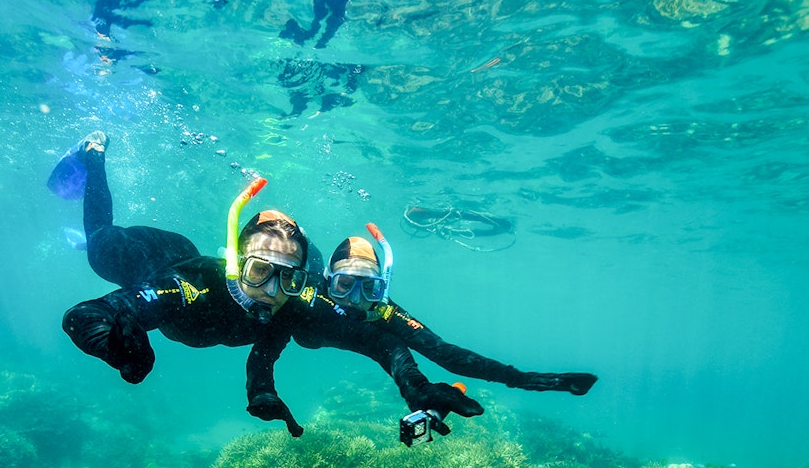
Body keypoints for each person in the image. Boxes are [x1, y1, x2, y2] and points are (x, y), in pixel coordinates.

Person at [56, 133, 482, 435]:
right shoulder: (189, 286)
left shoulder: (295, 298)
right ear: (238, 264)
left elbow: (375, 338)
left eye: (291, 277)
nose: (274, 291)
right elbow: (86, 316)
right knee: (99, 245)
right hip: (152, 256)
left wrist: (413, 383)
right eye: (260, 272)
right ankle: (93, 152)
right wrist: (113, 346)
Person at [243, 225, 596, 433]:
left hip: (362, 333)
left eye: (369, 288)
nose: (355, 299)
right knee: (302, 253)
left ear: (383, 289)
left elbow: (443, 354)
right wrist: (261, 391)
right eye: (344, 285)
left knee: (396, 342)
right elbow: (267, 345)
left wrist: (530, 380)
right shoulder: (301, 297)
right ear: (326, 283)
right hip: (311, 291)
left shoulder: (383, 314)